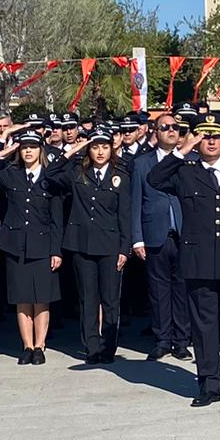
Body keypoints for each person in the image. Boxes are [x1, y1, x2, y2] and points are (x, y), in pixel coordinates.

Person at [148, 111, 220, 406]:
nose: (211, 141)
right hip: (198, 261)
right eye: (205, 136)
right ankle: (209, 384)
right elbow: (154, 178)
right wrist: (182, 150)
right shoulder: (186, 171)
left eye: (216, 136)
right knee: (204, 326)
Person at [0, 125, 63, 365]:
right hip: (15, 244)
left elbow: (56, 218)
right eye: (24, 148)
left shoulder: (49, 177)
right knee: (22, 298)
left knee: (41, 298)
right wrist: (2, 151)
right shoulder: (10, 174)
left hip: (43, 244)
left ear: (40, 150)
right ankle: (27, 345)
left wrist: (56, 250)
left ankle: (40, 346)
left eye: (33, 147)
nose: (28, 152)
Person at [44, 126, 132, 364]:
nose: (100, 152)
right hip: (82, 244)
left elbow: (125, 215)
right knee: (88, 299)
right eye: (95, 147)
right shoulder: (77, 173)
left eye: (104, 147)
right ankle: (91, 347)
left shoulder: (120, 176)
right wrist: (73, 150)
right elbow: (50, 175)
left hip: (110, 245)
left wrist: (125, 249)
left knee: (111, 300)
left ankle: (109, 347)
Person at [130, 113, 191, 361]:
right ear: (155, 131)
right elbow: (135, 201)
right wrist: (137, 238)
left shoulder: (189, 161)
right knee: (158, 291)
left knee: (182, 290)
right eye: (165, 127)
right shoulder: (142, 163)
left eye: (176, 127)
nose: (171, 130)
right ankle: (162, 340)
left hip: (183, 234)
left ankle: (181, 341)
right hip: (154, 234)